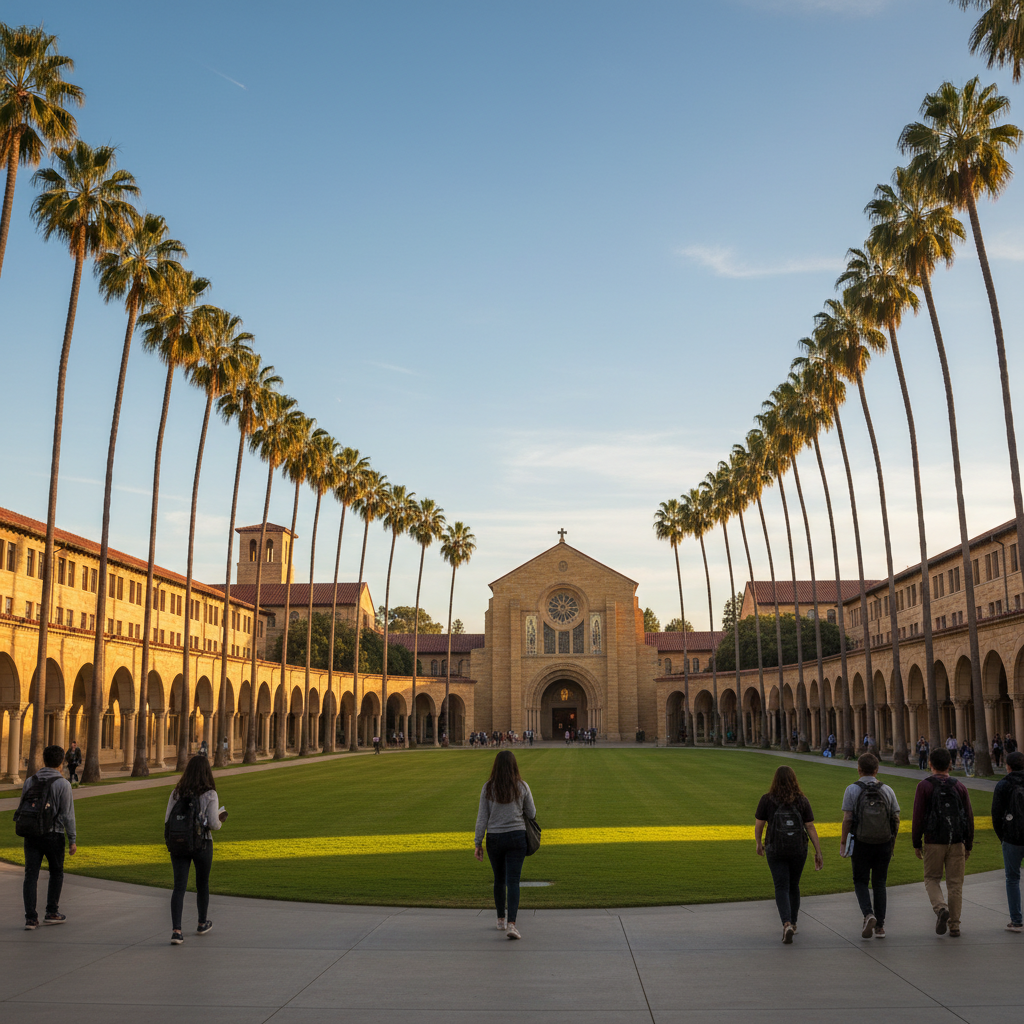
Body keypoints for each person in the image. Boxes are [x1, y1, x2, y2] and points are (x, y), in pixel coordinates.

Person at [754, 765, 824, 943]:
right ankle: (793, 922)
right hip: (798, 848)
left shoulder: (767, 799)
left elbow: (759, 824)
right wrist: (818, 851)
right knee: (794, 885)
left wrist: (758, 843)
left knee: (781, 886)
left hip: (775, 848)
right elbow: (810, 827)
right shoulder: (802, 800)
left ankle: (786, 924)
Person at [912, 747, 974, 938]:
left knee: (931, 878)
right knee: (955, 884)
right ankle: (954, 925)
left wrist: (916, 842)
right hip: (956, 840)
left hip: (933, 840)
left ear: (930, 764)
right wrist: (968, 844)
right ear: (950, 764)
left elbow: (918, 817)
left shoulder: (924, 786)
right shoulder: (959, 786)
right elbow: (969, 817)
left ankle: (940, 908)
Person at [474, 749, 536, 941]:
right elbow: (532, 813)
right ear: (514, 766)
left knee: (499, 879)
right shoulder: (522, 786)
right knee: (513, 881)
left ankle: (500, 919)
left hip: (495, 838)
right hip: (517, 837)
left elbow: (481, 817)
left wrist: (478, 842)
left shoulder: (488, 787)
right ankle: (512, 924)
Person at [165, 754, 227, 944]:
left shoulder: (176, 793)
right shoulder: (209, 794)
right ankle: (202, 922)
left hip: (179, 842)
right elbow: (214, 824)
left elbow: (168, 820)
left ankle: (177, 930)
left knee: (179, 887)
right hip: (202, 842)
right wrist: (220, 818)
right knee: (202, 884)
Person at [840, 753, 900, 938]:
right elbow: (895, 818)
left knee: (860, 881)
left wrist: (843, 842)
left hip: (861, 842)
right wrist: (892, 841)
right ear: (876, 770)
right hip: (883, 842)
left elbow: (848, 818)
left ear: (858, 769)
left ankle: (868, 914)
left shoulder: (851, 789)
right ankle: (880, 927)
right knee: (880, 883)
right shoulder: (887, 790)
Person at [19, 745, 77, 929]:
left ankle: (30, 918)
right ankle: (52, 911)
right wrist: (72, 839)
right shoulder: (63, 784)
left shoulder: (30, 781)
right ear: (61, 762)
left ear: (44, 760)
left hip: (32, 833)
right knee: (56, 872)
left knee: (30, 875)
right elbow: (68, 815)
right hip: (54, 834)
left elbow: (23, 807)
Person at [991, 750, 1024, 932]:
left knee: (1012, 879)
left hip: (1012, 837)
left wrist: (1002, 836)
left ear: (1008, 766)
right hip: (1012, 837)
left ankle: (1017, 920)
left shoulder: (1003, 784)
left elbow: (996, 814)